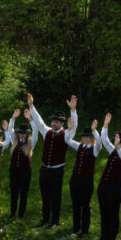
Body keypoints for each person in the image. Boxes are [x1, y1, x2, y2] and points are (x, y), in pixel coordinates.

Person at [28, 92, 78, 228]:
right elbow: (38, 121)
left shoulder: (66, 135)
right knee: (45, 196)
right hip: (44, 169)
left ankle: (54, 221)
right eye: (53, 121)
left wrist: (73, 110)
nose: (54, 123)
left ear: (62, 123)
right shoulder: (47, 131)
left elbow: (74, 127)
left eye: (56, 121)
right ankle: (45, 218)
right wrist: (31, 105)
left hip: (57, 171)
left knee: (55, 196)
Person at [97, 114, 121, 240]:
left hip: (114, 188)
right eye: (118, 142)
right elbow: (104, 139)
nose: (118, 144)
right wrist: (105, 125)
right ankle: (103, 235)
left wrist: (119, 147)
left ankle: (111, 237)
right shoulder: (113, 150)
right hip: (104, 185)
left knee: (112, 212)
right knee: (103, 211)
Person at [66, 121, 101, 236]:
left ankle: (85, 230)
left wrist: (95, 131)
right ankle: (75, 227)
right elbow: (67, 140)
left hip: (86, 180)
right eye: (85, 137)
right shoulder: (79, 146)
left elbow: (100, 143)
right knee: (75, 203)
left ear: (91, 138)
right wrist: (69, 129)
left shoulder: (94, 149)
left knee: (84, 205)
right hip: (75, 179)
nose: (86, 139)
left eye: (89, 137)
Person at [8, 110, 37, 219]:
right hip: (14, 171)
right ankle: (12, 213)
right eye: (20, 132)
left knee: (23, 193)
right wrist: (13, 119)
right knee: (14, 192)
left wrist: (31, 120)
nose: (22, 134)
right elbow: (10, 130)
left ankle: (21, 214)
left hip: (25, 172)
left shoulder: (31, 143)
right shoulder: (14, 141)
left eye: (24, 133)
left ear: (27, 133)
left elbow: (36, 132)